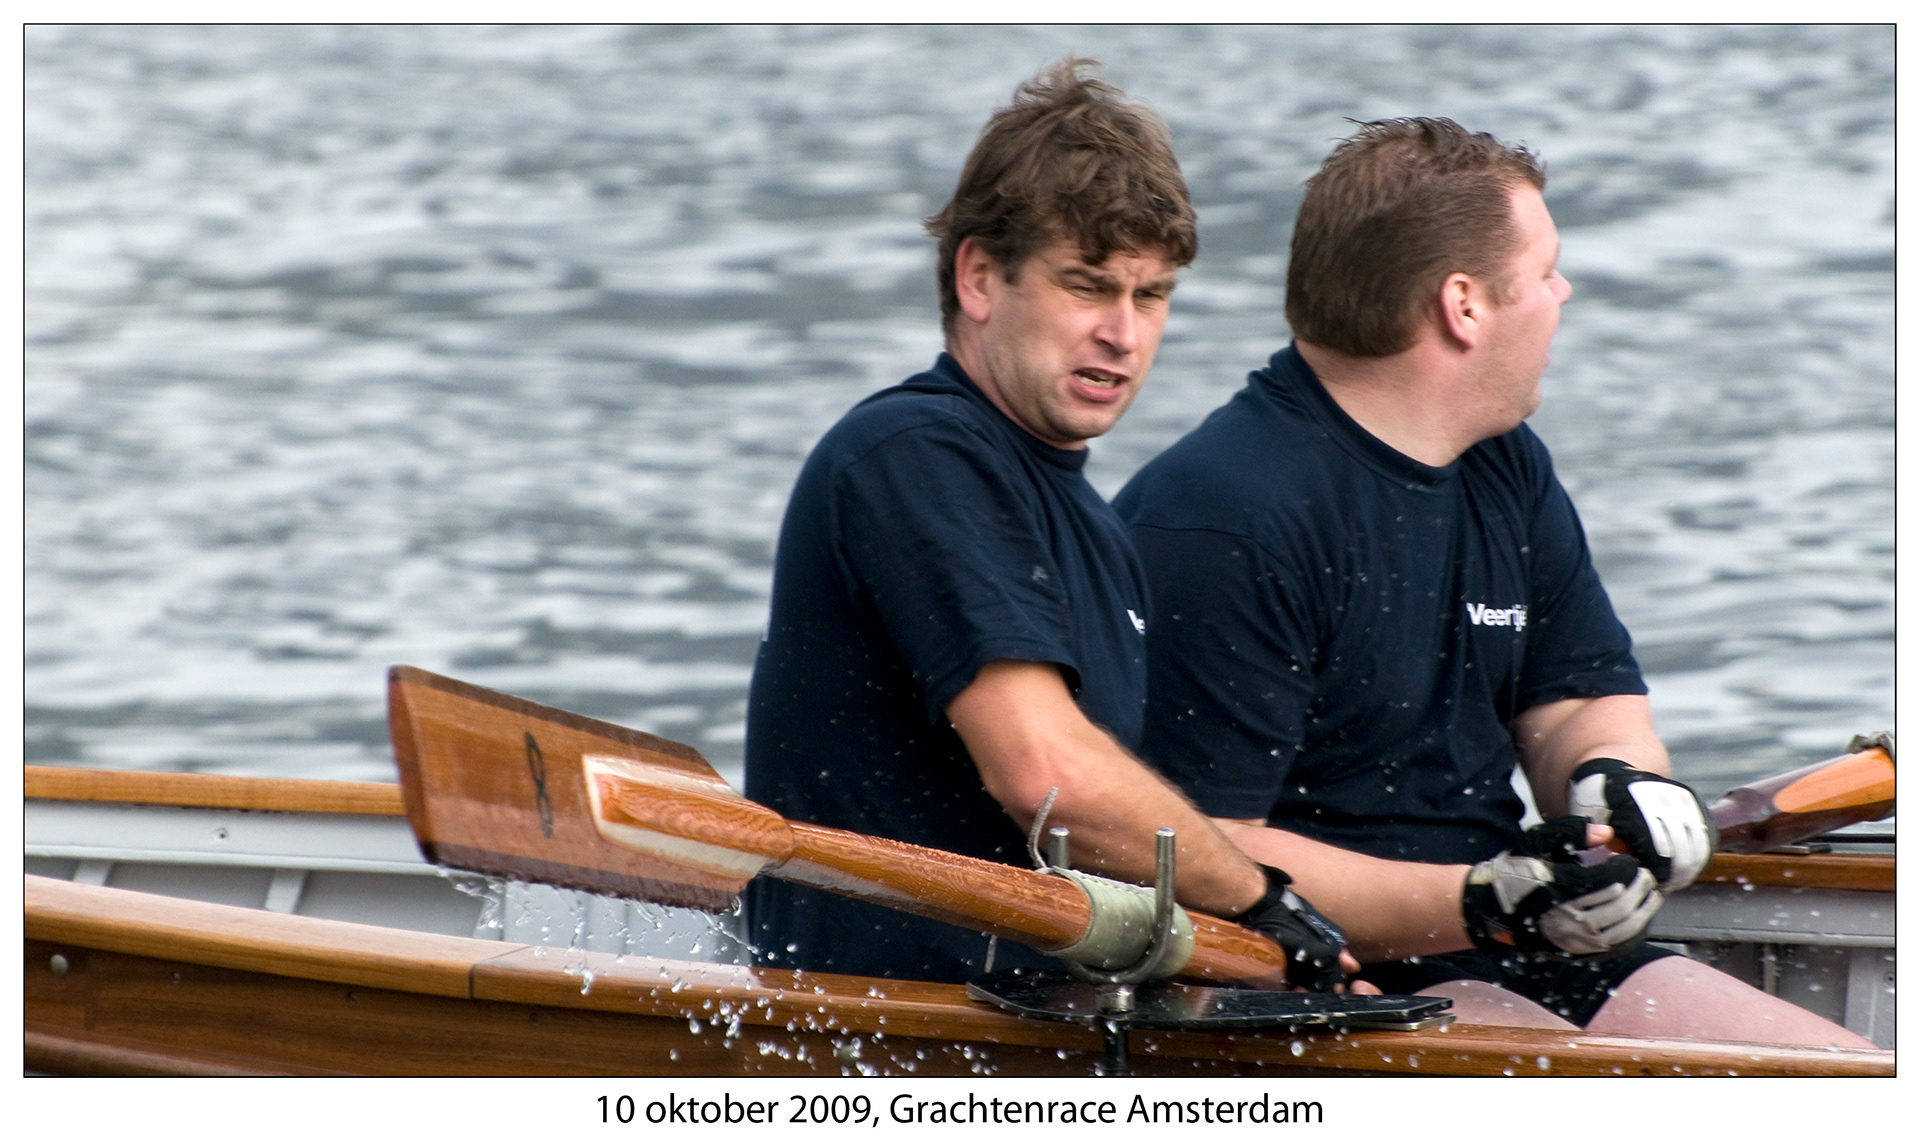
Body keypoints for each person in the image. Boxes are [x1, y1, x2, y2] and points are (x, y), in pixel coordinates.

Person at [1114, 117, 1873, 1047]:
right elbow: (1201, 859)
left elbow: (1578, 699)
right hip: (1311, 975)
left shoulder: (1502, 460)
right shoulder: (1222, 519)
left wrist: (1613, 780)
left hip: (1512, 931)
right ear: (1463, 305)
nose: (1564, 292)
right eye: (1546, 270)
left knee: (1855, 1079)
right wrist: (1482, 901)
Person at [742, 60, 1352, 987]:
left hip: (1042, 1012)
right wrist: (1261, 901)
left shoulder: (1096, 527)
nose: (1124, 333)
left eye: (1151, 296)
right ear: (980, 277)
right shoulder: (910, 454)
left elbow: (1111, 838)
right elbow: (1048, 780)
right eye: (1087, 286)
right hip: (882, 1021)